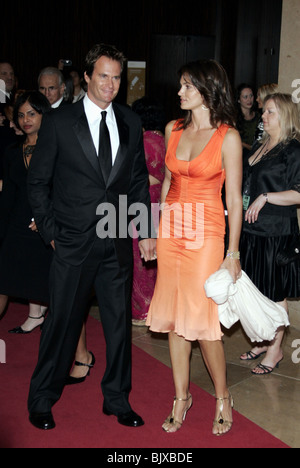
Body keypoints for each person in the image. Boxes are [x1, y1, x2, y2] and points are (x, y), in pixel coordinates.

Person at [27, 43, 156, 431]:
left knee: (118, 326)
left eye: (117, 77)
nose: (111, 84)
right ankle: (42, 398)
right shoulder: (60, 121)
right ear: (86, 76)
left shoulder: (130, 121)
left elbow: (135, 184)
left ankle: (117, 399)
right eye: (103, 75)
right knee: (62, 323)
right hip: (71, 241)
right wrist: (51, 233)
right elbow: (38, 183)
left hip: (115, 237)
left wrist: (145, 230)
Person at [146, 59, 243, 436]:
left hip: (205, 233)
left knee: (203, 323)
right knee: (173, 319)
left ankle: (222, 396)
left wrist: (232, 253)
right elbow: (168, 184)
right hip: (172, 231)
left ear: (208, 90)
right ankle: (181, 396)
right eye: (181, 85)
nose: (180, 92)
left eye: (187, 86)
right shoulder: (173, 129)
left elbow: (233, 200)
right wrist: (153, 232)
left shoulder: (228, 137)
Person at [240, 93, 300, 374]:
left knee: (274, 292)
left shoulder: (293, 150)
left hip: (276, 230)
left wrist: (266, 197)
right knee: (256, 290)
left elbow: (298, 193)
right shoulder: (262, 145)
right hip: (252, 229)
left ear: (285, 115)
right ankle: (264, 341)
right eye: (263, 112)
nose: (263, 117)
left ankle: (275, 350)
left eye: (270, 113)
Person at [0, 91, 52, 331]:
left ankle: (47, 323)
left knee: (49, 284)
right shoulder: (12, 152)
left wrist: (48, 217)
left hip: (46, 225)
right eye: (21, 115)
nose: (25, 120)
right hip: (17, 223)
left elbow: (65, 188)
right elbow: (8, 194)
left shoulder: (56, 149)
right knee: (3, 280)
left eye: (32, 113)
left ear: (43, 114)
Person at [131, 97, 166, 326]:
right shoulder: (166, 139)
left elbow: (143, 177)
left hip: (144, 200)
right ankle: (157, 307)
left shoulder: (143, 140)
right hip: (160, 201)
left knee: (140, 255)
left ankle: (143, 310)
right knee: (156, 255)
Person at [236, 83, 260, 157]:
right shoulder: (233, 118)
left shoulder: (259, 116)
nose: (249, 100)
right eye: (245, 97)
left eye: (251, 96)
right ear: (239, 100)